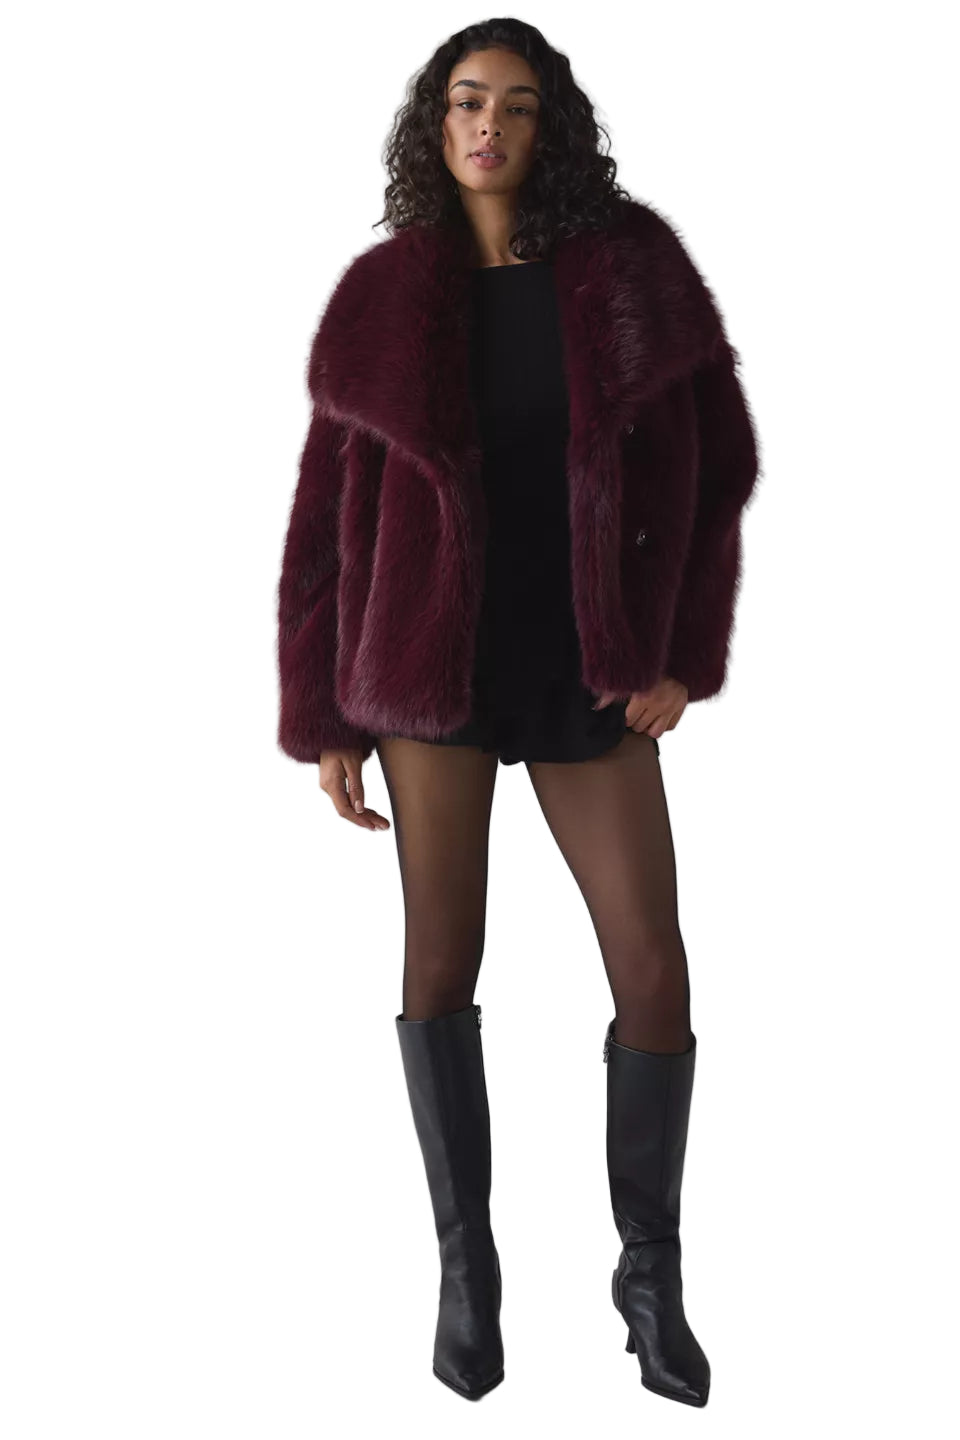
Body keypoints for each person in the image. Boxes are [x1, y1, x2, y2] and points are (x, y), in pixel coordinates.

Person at [276, 19, 760, 1408]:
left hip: (589, 663)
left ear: (554, 130)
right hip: (428, 670)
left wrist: (682, 656)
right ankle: (467, 1272)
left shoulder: (630, 275)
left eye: (519, 106)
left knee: (653, 972)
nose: (489, 125)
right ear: (435, 125)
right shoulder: (383, 296)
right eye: (467, 102)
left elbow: (719, 468)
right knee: (440, 963)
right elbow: (324, 515)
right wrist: (324, 712)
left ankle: (650, 1279)